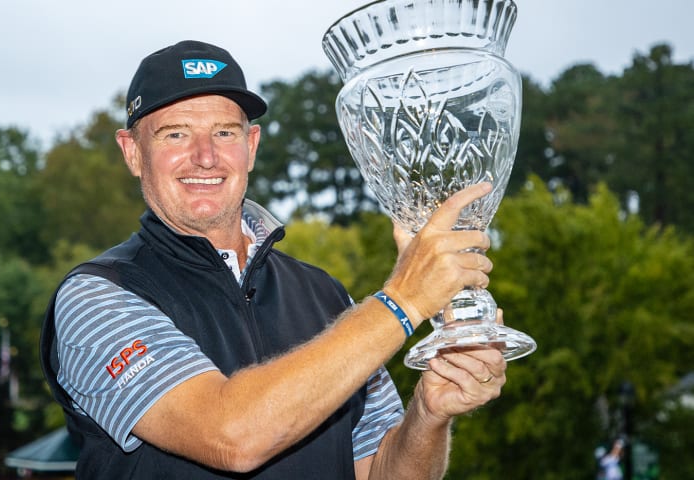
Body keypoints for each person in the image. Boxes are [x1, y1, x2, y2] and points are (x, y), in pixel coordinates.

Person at [40, 39, 507, 479]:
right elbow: (231, 435)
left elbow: (382, 470)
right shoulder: (100, 296)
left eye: (224, 132)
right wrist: (403, 300)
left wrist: (429, 412)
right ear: (132, 152)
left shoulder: (326, 295)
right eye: (175, 134)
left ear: (252, 146)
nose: (204, 157)